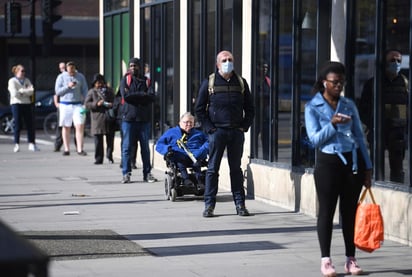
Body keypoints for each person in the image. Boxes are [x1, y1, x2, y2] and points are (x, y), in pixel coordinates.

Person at [304, 61, 372, 277]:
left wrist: (367, 167)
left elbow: (360, 137)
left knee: (349, 213)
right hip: (327, 164)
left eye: (341, 82)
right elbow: (314, 139)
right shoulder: (312, 107)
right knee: (327, 211)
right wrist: (332, 124)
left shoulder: (348, 104)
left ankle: (351, 259)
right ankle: (326, 260)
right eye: (334, 82)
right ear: (325, 82)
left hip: (351, 163)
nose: (338, 86)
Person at [195, 50, 255, 217]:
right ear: (217, 64)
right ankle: (209, 206)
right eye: (224, 60)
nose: (227, 62)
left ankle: (240, 205)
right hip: (217, 132)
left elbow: (250, 109)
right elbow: (199, 110)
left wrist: (244, 126)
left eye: (230, 59)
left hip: (236, 131)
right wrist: (210, 129)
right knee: (213, 169)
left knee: (235, 169)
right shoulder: (210, 82)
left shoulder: (241, 82)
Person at [359, 49, 408, 183]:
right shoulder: (373, 84)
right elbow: (363, 108)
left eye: (398, 61)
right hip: (379, 131)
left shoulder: (405, 83)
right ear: (384, 63)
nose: (396, 63)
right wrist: (372, 123)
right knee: (375, 167)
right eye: (392, 60)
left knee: (397, 169)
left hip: (398, 132)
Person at [119, 57, 158, 184]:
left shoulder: (147, 81)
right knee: (126, 148)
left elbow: (151, 96)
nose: (132, 68)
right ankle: (126, 173)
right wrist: (142, 95)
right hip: (128, 119)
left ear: (140, 67)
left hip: (144, 119)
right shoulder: (126, 80)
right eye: (130, 66)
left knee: (145, 148)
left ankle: (147, 174)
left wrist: (135, 95)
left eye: (135, 66)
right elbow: (126, 97)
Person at [156, 112, 209, 186]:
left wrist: (203, 149)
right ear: (180, 122)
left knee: (197, 162)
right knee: (179, 161)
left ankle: (199, 181)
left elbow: (209, 142)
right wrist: (167, 149)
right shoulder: (171, 132)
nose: (189, 124)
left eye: (191, 122)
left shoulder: (199, 133)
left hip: (196, 155)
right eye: (186, 122)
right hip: (179, 155)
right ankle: (186, 179)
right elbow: (159, 144)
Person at [55, 61, 88, 156]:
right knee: (66, 126)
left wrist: (86, 102)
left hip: (77, 104)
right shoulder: (61, 77)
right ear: (66, 69)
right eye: (69, 70)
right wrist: (68, 86)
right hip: (65, 104)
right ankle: (66, 148)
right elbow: (58, 92)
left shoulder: (80, 76)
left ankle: (80, 149)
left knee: (79, 125)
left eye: (73, 69)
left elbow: (85, 89)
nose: (71, 72)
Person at [7, 64, 40, 152]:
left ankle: (32, 143)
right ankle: (16, 144)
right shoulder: (12, 81)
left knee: (30, 124)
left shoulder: (26, 80)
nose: (23, 73)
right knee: (18, 124)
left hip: (27, 103)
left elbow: (31, 91)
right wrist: (24, 92)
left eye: (24, 71)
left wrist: (21, 91)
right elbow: (14, 94)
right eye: (22, 71)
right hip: (16, 104)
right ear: (17, 71)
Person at [84, 74, 115, 164]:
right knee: (98, 141)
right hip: (97, 119)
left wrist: (111, 104)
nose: (99, 85)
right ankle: (98, 158)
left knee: (110, 140)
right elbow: (87, 104)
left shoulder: (109, 91)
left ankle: (109, 156)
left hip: (108, 118)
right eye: (97, 83)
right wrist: (96, 104)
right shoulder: (92, 92)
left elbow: (114, 101)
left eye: (101, 82)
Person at [255, 62, 271, 160]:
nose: (265, 69)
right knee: (254, 138)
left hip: (266, 114)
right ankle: (255, 156)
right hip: (256, 114)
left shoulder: (268, 81)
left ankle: (266, 158)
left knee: (266, 138)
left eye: (266, 67)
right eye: (263, 67)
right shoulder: (255, 81)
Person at [53, 62, 66, 152]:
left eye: (64, 67)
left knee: (76, 126)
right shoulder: (60, 78)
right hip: (62, 104)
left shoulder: (74, 76)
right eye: (61, 68)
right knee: (60, 125)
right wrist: (56, 103)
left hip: (73, 103)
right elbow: (56, 92)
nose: (63, 70)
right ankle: (58, 144)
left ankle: (78, 146)